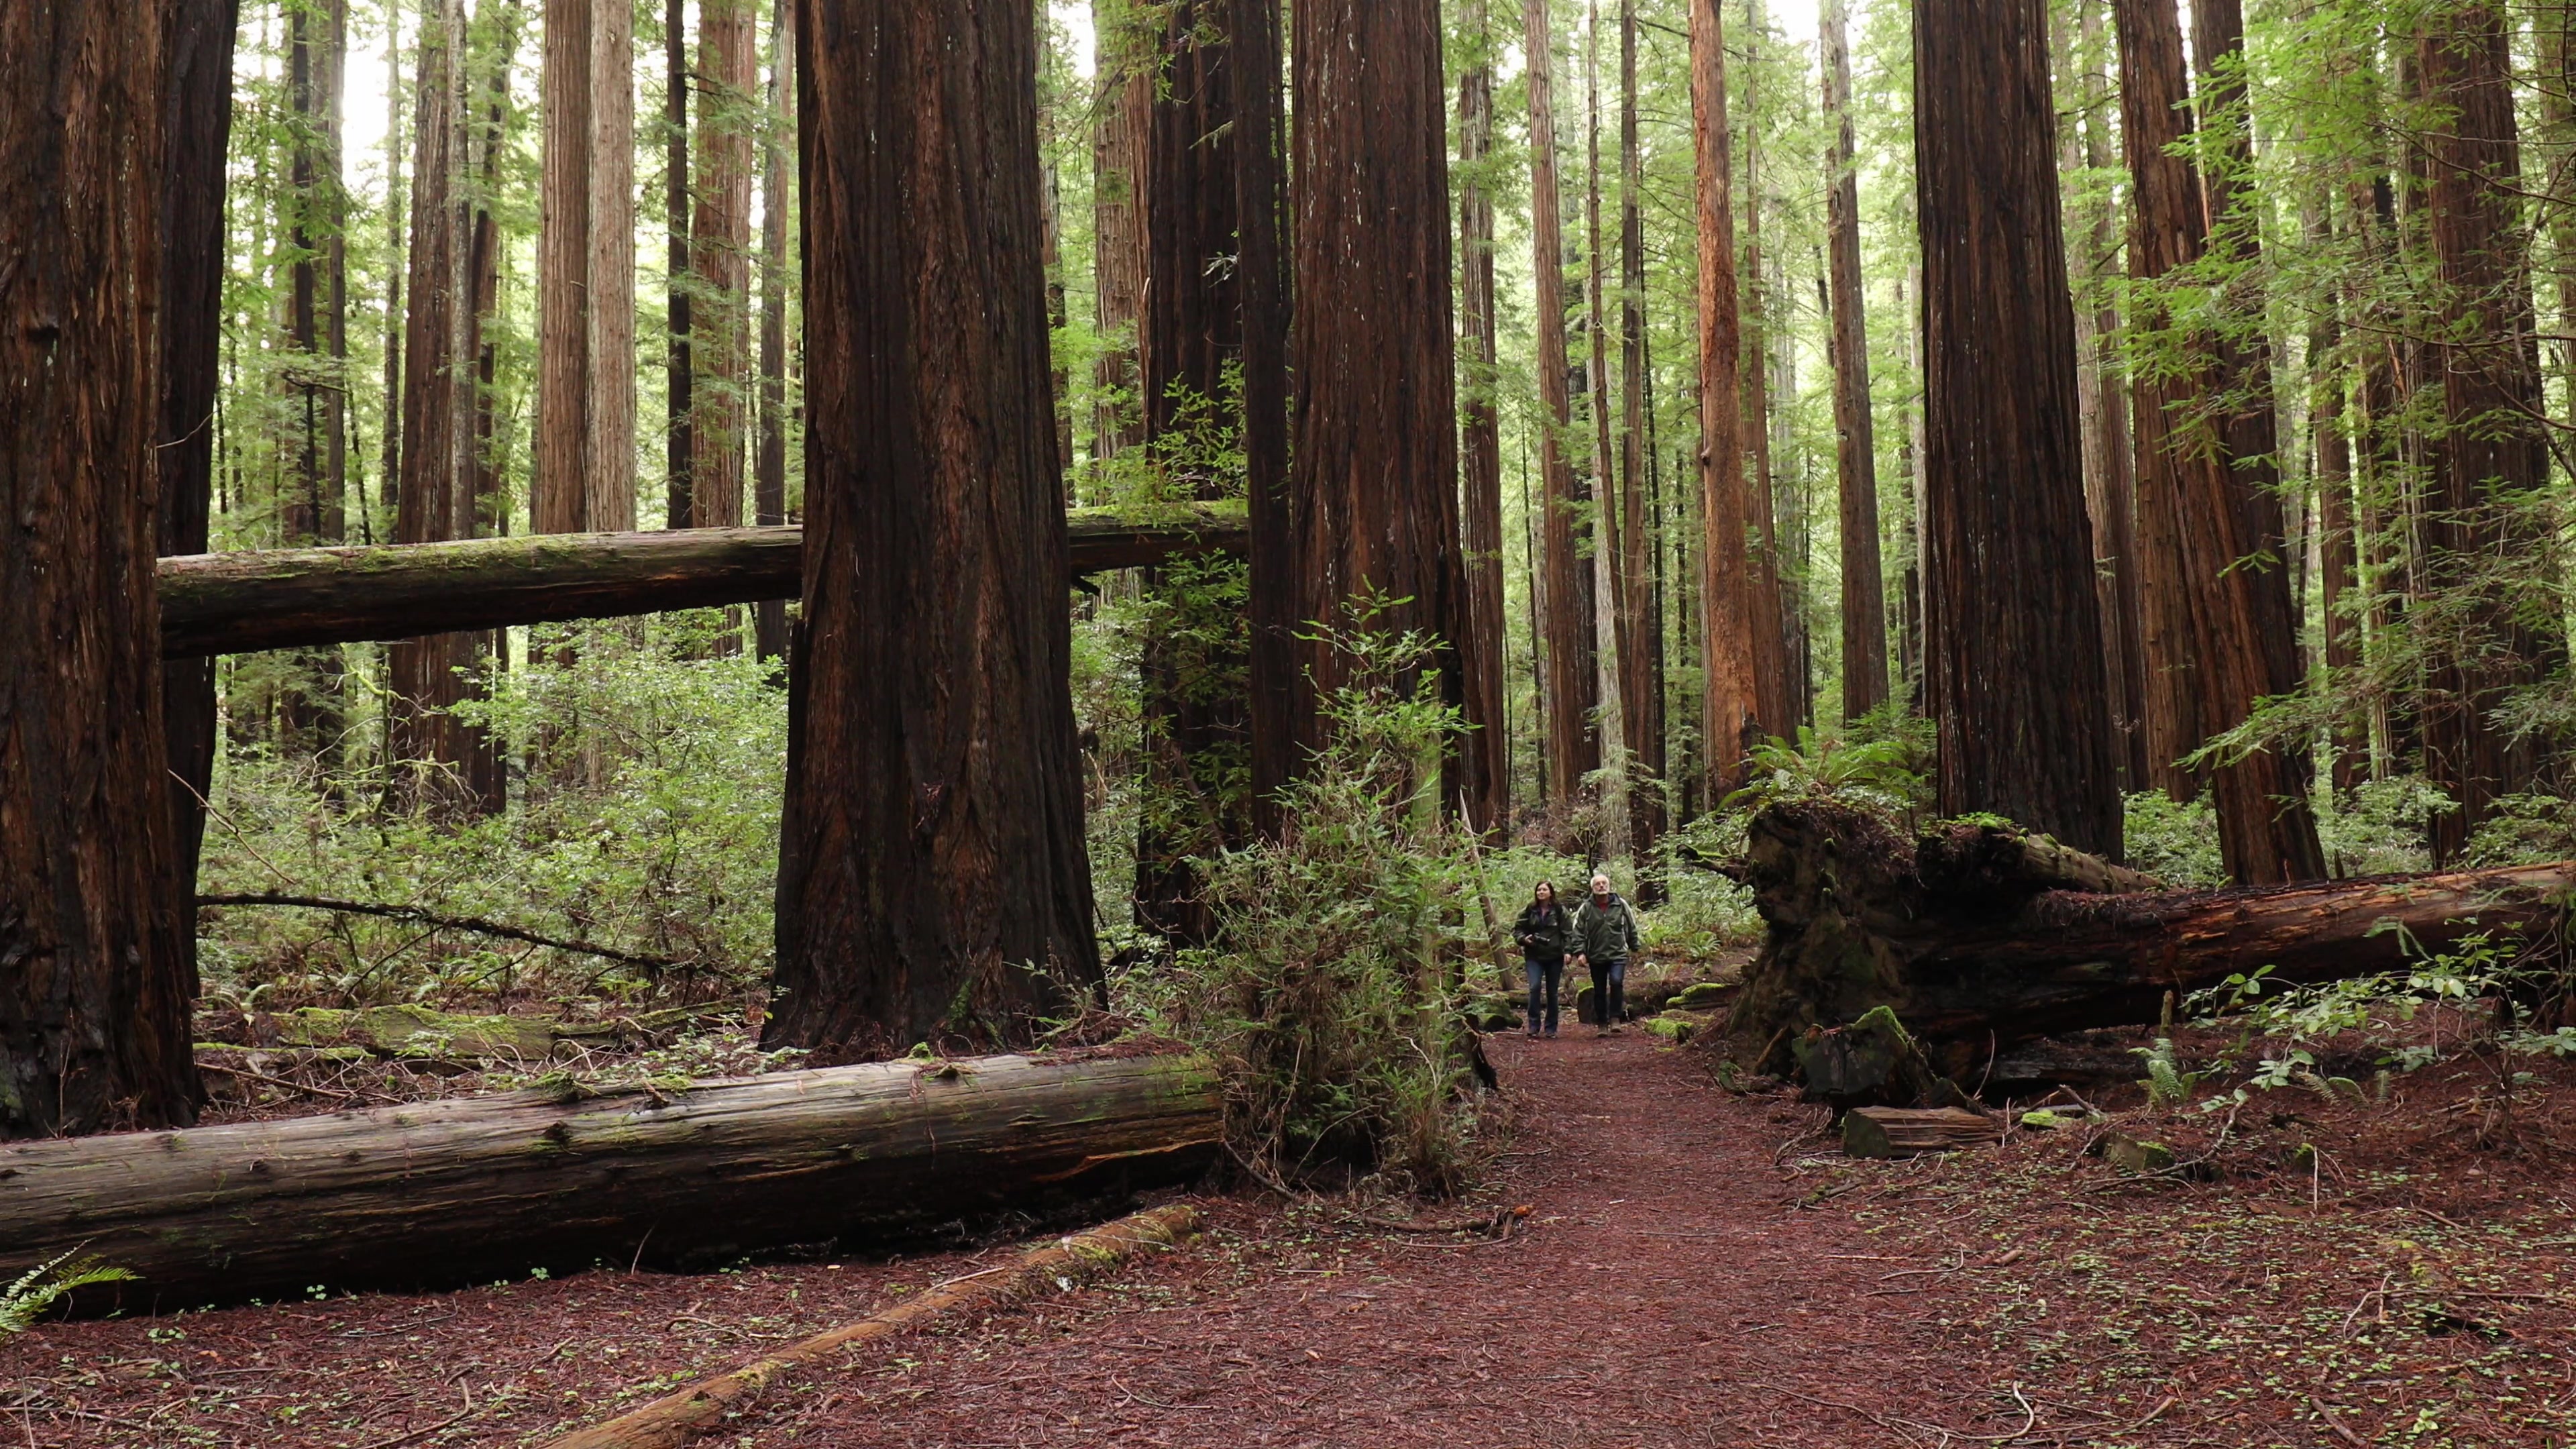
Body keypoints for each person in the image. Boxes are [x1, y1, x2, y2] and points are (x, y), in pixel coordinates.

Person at [1571, 871, 1642, 1036]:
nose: (1601, 886)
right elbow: (1578, 931)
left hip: (1618, 953)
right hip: (1596, 954)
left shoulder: (1621, 904)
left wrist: (1635, 946)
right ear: (1592, 888)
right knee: (1599, 989)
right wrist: (1580, 952)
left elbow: (1631, 925)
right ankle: (1602, 1023)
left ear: (1609, 886)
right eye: (1598, 884)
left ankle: (1615, 1018)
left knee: (1617, 982)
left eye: (1604, 883)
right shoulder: (1586, 908)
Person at [1512, 881, 1570, 1038]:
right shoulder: (1530, 910)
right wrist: (1524, 939)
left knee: (1552, 992)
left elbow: (1568, 933)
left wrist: (1568, 951)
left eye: (1544, 889)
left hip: (1554, 957)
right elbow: (1517, 930)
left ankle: (1551, 1028)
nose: (1541, 892)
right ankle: (1533, 1025)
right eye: (1539, 890)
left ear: (1551, 892)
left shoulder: (1559, 911)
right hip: (1534, 956)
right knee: (1535, 987)